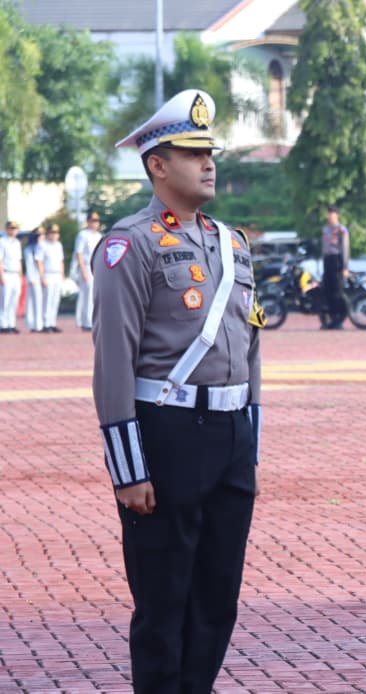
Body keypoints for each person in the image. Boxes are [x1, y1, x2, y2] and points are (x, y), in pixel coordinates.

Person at [93, 89, 263, 693]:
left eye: (209, 152)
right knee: (164, 604)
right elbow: (113, 358)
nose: (208, 163)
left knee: (218, 600)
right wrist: (128, 467)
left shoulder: (232, 242)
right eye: (191, 153)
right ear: (156, 164)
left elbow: (252, 347)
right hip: (165, 436)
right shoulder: (128, 243)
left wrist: (251, 442)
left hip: (229, 437)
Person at [74, 211, 104, 331]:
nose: (94, 224)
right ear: (88, 222)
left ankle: (93, 320)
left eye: (96, 221)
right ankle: (86, 322)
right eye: (92, 221)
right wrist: (83, 270)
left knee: (95, 295)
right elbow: (79, 253)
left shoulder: (99, 236)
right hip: (86, 266)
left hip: (97, 266)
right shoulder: (83, 235)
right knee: (86, 295)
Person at [320, 205, 350, 329]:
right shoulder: (325, 229)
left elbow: (345, 248)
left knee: (338, 291)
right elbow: (324, 248)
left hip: (337, 260)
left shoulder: (342, 230)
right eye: (328, 213)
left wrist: (345, 267)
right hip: (327, 261)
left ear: (337, 215)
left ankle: (339, 319)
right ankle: (330, 319)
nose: (329, 216)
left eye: (331, 213)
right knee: (327, 290)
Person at [40, 223, 65, 333]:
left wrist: (62, 275)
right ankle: (46, 323)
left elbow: (61, 261)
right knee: (47, 299)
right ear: (47, 234)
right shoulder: (42, 245)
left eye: (56, 233)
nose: (54, 235)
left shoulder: (58, 245)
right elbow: (40, 262)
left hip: (57, 274)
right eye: (52, 233)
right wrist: (42, 277)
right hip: (48, 274)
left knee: (55, 300)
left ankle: (52, 322)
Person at [0, 221, 22, 334]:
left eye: (15, 228)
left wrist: (20, 275)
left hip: (15, 274)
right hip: (6, 273)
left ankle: (11, 323)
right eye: (11, 228)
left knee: (14, 300)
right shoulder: (2, 242)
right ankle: (3, 324)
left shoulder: (17, 242)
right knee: (5, 300)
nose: (13, 231)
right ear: (6, 229)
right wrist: (1, 276)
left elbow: (19, 260)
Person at [23, 226, 44, 333]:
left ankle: (32, 324)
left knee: (31, 302)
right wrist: (41, 277)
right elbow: (38, 264)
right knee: (37, 301)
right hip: (35, 277)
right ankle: (38, 325)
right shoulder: (36, 248)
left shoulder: (28, 248)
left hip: (31, 276)